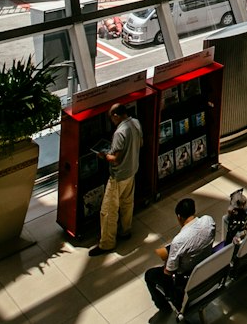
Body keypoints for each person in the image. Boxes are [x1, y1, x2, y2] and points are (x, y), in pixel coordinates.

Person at [143, 196, 217, 313]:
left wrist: (168, 261)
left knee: (149, 275)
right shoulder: (209, 221)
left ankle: (163, 307)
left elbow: (168, 273)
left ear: (179, 217)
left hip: (185, 279)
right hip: (205, 268)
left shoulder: (179, 240)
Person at [91, 102, 142, 255]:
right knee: (127, 203)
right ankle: (125, 231)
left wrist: (103, 155)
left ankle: (107, 243)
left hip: (118, 176)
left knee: (108, 210)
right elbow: (141, 143)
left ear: (116, 116)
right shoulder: (136, 123)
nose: (111, 122)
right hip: (132, 170)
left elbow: (116, 159)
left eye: (111, 118)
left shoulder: (120, 133)